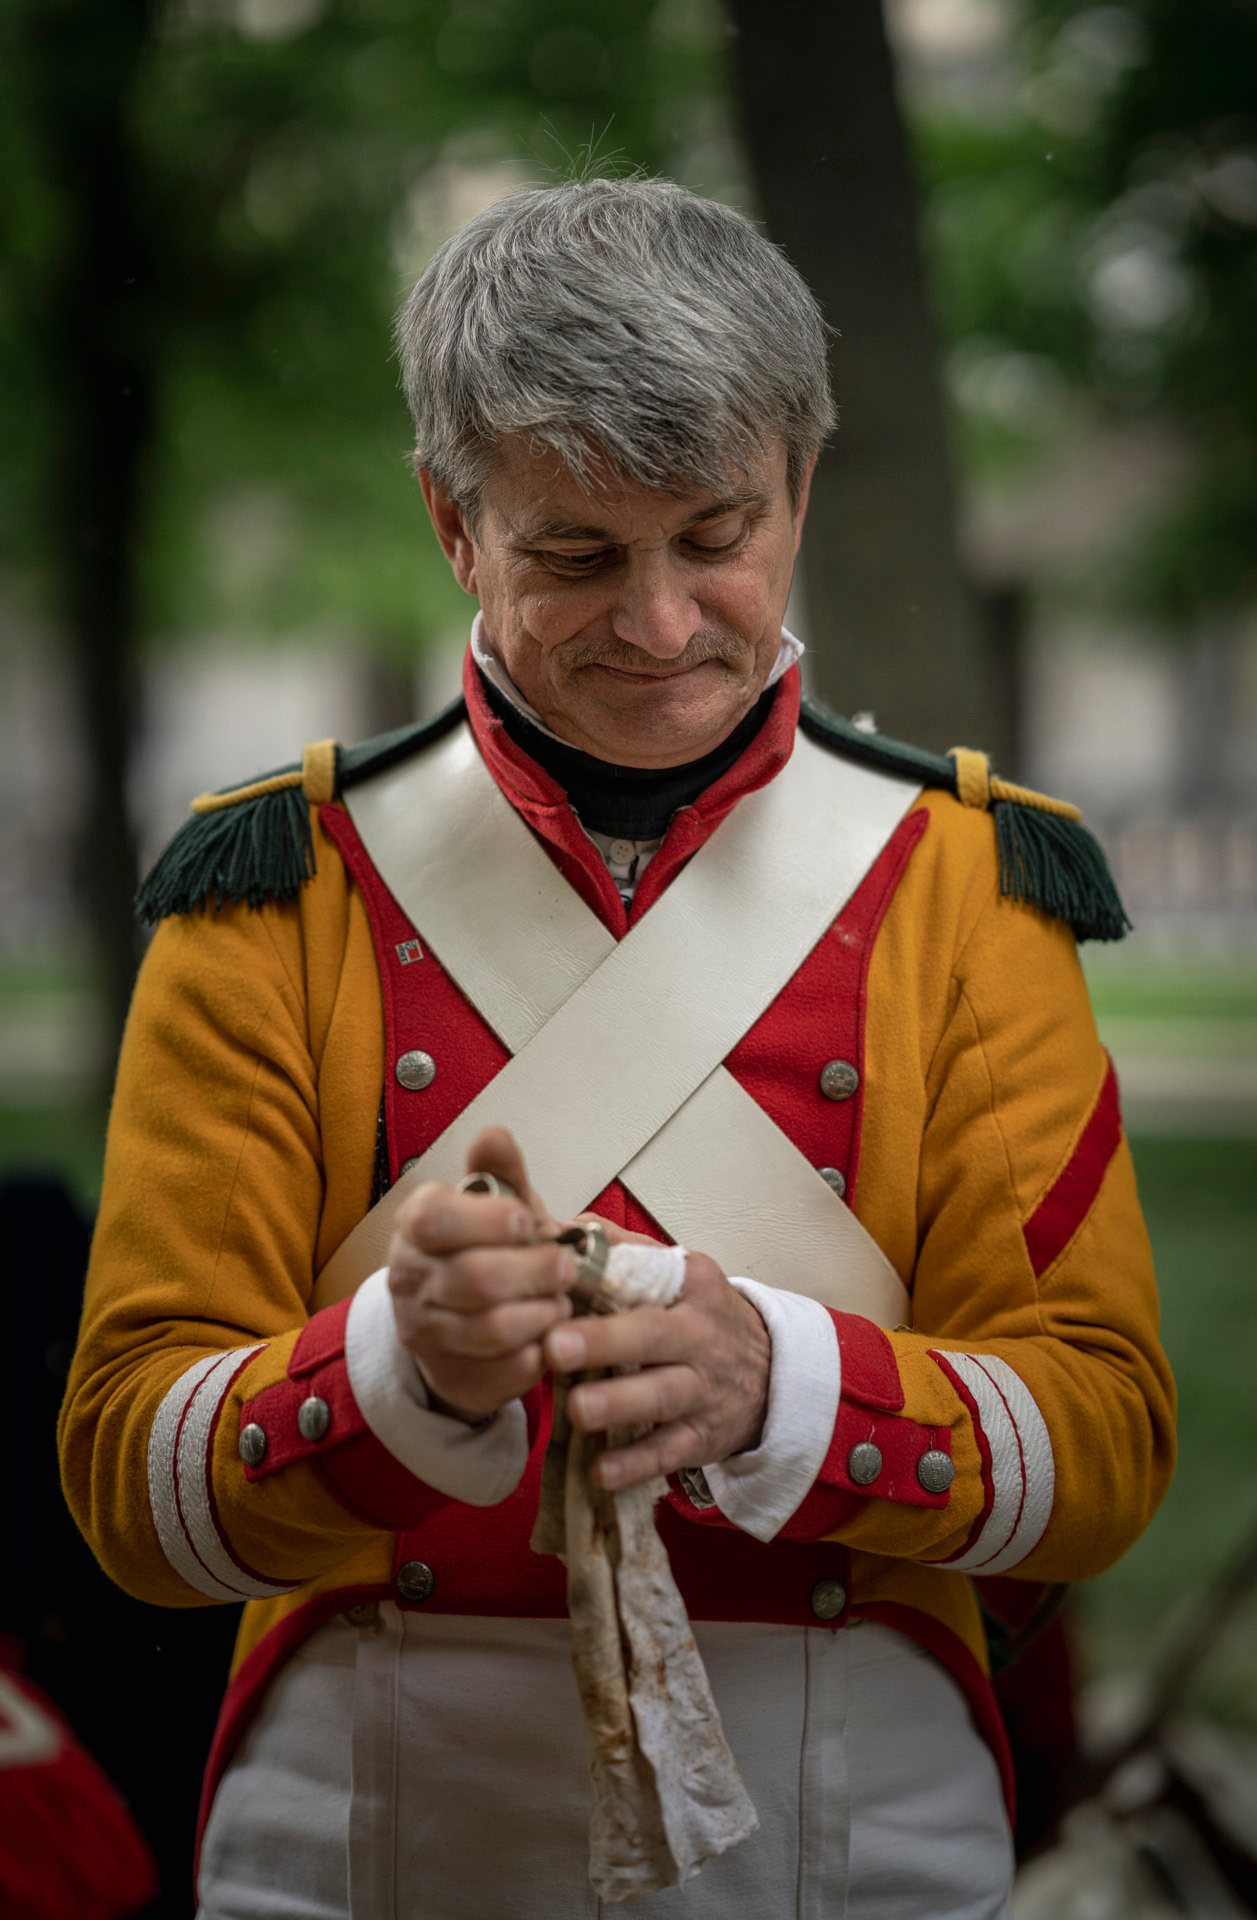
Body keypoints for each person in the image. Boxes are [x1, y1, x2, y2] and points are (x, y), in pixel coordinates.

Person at [60, 177, 1175, 1919]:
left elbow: (1102, 1453)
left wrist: (779, 1386)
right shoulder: (274, 891)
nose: (660, 628)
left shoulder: (972, 885)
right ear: (452, 522)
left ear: (800, 485)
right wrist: (393, 1374)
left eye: (714, 535)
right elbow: (131, 1491)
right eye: (575, 555)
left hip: (853, 1816)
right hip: (367, 1812)